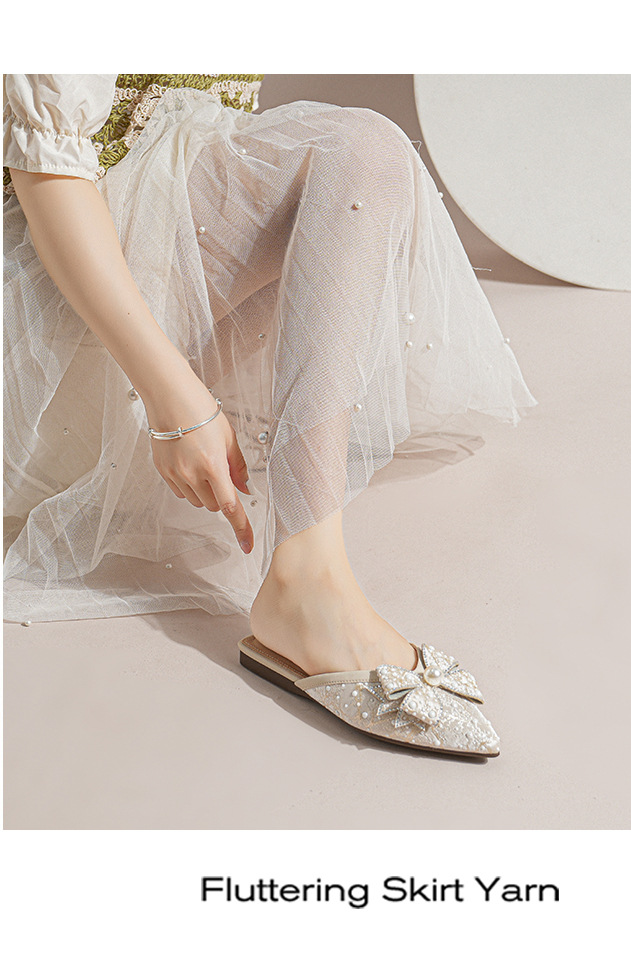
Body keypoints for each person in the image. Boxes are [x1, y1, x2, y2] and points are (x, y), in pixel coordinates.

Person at [3, 73, 538, 757]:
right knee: (361, 151)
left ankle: (307, 568)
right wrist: (176, 402)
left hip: (122, 308)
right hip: (40, 352)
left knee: (364, 162)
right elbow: (44, 170)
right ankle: (308, 582)